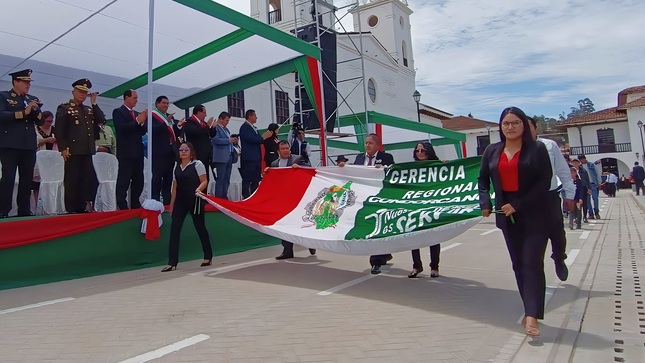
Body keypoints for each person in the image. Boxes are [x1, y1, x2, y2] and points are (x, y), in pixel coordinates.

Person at [478, 106, 552, 337]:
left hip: (535, 213)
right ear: (500, 127)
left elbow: (544, 182)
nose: (510, 127)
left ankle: (532, 316)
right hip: (506, 217)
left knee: (532, 263)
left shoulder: (537, 149)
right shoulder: (492, 151)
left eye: (515, 123)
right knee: (518, 264)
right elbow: (482, 181)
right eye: (506, 123)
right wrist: (486, 205)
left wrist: (518, 204)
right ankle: (529, 307)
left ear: (524, 125)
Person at [338, 133, 395, 275]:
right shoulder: (359, 158)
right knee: (368, 226)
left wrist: (383, 168)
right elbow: (355, 173)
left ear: (377, 145)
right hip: (364, 197)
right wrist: (344, 167)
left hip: (379, 197)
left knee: (377, 225)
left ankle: (376, 262)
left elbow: (392, 172)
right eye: (366, 143)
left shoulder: (387, 157)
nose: (367, 145)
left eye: (370, 143)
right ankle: (384, 252)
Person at [528, 117, 575, 282]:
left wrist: (570, 195)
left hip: (549, 197)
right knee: (532, 239)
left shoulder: (549, 146)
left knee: (557, 233)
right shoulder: (513, 148)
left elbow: (563, 172)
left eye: (527, 126)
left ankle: (559, 257)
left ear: (535, 128)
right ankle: (533, 276)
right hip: (526, 201)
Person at [55, 78, 106, 213]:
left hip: (87, 149)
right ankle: (72, 207)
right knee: (72, 178)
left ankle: (82, 205)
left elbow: (101, 120)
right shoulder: (65, 108)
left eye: (85, 92)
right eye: (80, 92)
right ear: (73, 92)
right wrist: (63, 148)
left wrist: (94, 104)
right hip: (73, 149)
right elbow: (60, 130)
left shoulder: (88, 109)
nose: (82, 95)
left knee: (86, 179)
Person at [161, 142, 213, 272]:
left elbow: (205, 181)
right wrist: (172, 205)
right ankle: (172, 262)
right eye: (181, 150)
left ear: (191, 152)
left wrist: (198, 189)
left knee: (200, 227)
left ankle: (208, 255)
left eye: (186, 149)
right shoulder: (176, 167)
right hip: (180, 202)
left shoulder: (197, 164)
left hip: (195, 200)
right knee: (175, 230)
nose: (183, 152)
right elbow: (175, 186)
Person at [0, 69, 44, 218]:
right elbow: (2, 115)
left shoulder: (32, 98)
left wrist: (36, 110)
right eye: (25, 82)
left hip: (28, 145)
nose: (28, 85)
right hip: (10, 144)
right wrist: (24, 112)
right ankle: (3, 210)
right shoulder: (4, 96)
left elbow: (41, 121)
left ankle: (24, 210)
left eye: (29, 82)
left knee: (27, 179)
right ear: (15, 82)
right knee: (8, 178)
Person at [270, 141, 316, 259]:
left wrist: (300, 167)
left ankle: (310, 243)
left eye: (287, 148)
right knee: (284, 224)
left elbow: (310, 170)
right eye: (283, 148)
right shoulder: (274, 164)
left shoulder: (298, 159)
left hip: (298, 197)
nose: (286, 150)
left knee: (302, 222)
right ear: (278, 151)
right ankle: (287, 250)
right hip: (283, 198)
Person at [408, 142, 441, 278]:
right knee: (413, 237)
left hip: (432, 206)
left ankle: (434, 267)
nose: (420, 153)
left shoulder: (438, 166)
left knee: (433, 237)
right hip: (415, 206)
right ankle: (417, 266)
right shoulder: (409, 168)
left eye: (423, 150)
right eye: (417, 151)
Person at [113, 89, 147, 209]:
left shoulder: (137, 113)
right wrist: (137, 121)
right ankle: (121, 204)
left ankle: (135, 203)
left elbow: (143, 132)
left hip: (138, 152)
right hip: (126, 153)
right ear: (126, 97)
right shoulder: (118, 112)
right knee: (124, 179)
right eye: (134, 98)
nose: (136, 100)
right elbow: (122, 128)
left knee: (139, 180)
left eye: (137, 98)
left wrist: (142, 122)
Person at [148, 96, 182, 205]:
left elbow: (174, 132)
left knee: (168, 179)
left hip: (170, 152)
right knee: (157, 179)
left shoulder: (169, 117)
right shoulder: (152, 115)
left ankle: (167, 203)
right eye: (164, 103)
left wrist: (179, 127)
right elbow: (151, 130)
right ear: (157, 103)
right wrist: (165, 123)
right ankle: (155, 202)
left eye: (167, 103)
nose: (166, 105)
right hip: (158, 152)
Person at [238, 109, 272, 199]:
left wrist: (263, 138)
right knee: (247, 178)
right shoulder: (244, 127)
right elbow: (252, 139)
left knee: (256, 178)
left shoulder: (254, 128)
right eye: (254, 116)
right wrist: (264, 137)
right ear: (250, 116)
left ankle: (254, 195)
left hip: (256, 157)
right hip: (249, 157)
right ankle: (246, 195)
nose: (256, 118)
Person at [182, 104, 215, 176]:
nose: (205, 115)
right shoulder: (189, 121)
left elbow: (210, 135)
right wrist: (208, 126)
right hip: (197, 154)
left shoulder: (203, 124)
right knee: (197, 178)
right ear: (198, 112)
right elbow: (196, 131)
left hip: (205, 155)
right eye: (204, 113)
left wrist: (213, 128)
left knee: (206, 178)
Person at [32, 111, 57, 205]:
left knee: (51, 183)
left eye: (51, 121)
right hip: (38, 160)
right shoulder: (35, 129)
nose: (50, 123)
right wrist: (46, 140)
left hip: (52, 161)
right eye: (47, 121)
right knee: (36, 184)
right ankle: (36, 205)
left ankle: (50, 204)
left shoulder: (54, 129)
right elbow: (32, 143)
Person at [211, 112, 236, 199]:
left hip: (229, 156)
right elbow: (215, 140)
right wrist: (229, 140)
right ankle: (218, 197)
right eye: (226, 120)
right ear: (220, 119)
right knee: (220, 179)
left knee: (227, 178)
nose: (227, 122)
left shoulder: (226, 130)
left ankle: (224, 195)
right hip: (221, 157)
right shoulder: (216, 128)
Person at [578, 155, 601, 220]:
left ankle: (596, 212)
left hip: (593, 183)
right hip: (585, 185)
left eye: (583, 159)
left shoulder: (592, 165)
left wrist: (599, 182)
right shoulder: (580, 167)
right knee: (587, 200)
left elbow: (597, 173)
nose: (582, 161)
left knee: (595, 198)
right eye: (581, 160)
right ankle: (591, 213)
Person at [570, 157, 591, 223]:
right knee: (575, 204)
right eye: (573, 162)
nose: (575, 164)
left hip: (583, 188)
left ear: (579, 163)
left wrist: (589, 188)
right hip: (574, 189)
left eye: (576, 162)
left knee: (584, 204)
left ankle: (585, 216)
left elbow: (587, 180)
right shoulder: (570, 171)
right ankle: (576, 217)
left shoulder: (583, 171)